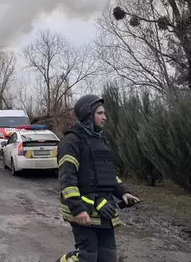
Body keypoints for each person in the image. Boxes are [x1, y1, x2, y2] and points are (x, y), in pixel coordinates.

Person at [57, 95, 140, 262]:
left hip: (105, 210)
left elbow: (107, 174)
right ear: (88, 114)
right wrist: (78, 208)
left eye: (104, 113)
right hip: (83, 209)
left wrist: (123, 192)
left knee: (108, 258)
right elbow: (67, 179)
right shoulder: (71, 142)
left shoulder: (100, 141)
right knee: (87, 257)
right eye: (100, 113)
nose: (105, 117)